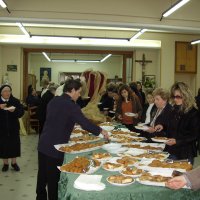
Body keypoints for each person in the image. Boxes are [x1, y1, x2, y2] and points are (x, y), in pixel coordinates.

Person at [36, 79, 109, 200]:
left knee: (42, 176)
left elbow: (56, 119)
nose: (79, 95)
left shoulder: (54, 100)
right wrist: (101, 131)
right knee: (53, 180)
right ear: (73, 90)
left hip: (43, 143)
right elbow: (85, 123)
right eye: (79, 92)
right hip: (55, 147)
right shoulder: (71, 105)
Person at [164, 82, 199, 164]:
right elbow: (171, 128)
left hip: (185, 152)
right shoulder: (174, 110)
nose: (175, 99)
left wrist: (177, 141)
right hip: (171, 150)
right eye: (174, 97)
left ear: (186, 96)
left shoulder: (193, 113)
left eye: (178, 97)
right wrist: (162, 126)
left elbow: (194, 135)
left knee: (181, 176)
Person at [0, 85, 24, 172]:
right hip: (1, 129)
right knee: (3, 145)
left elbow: (21, 113)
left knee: (14, 145)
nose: (7, 93)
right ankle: (5, 163)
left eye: (9, 91)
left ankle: (14, 163)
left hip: (13, 128)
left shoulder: (15, 101)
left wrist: (15, 111)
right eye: (5, 91)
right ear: (1, 93)